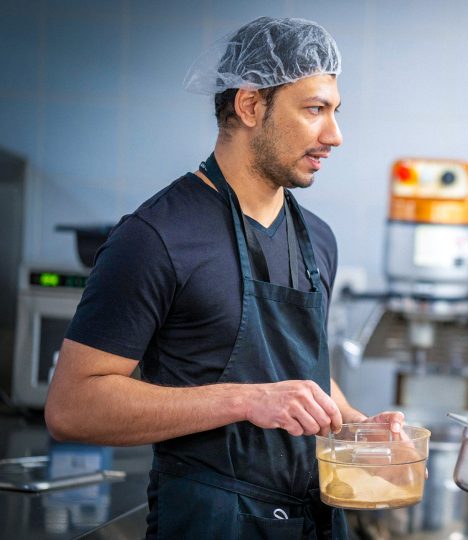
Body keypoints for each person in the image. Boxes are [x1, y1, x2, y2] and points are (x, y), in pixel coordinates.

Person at [44, 17, 402, 539]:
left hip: (313, 520)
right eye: (314, 110)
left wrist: (356, 424)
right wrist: (246, 400)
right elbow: (73, 408)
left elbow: (299, 370)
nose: (335, 135)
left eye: (335, 111)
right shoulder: (156, 237)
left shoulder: (318, 240)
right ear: (250, 105)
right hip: (210, 523)